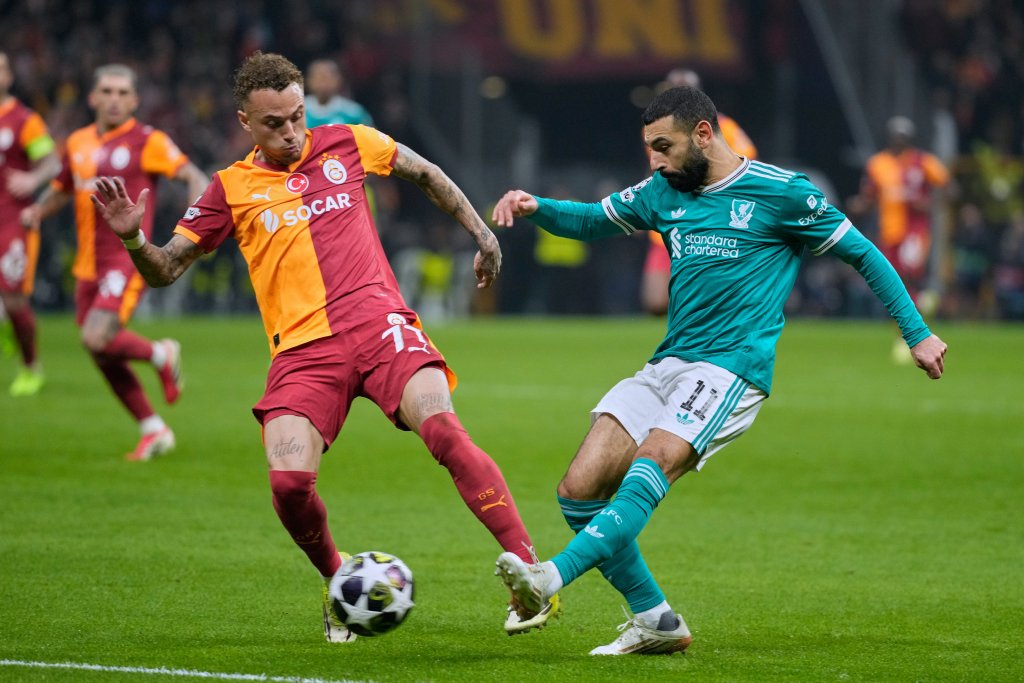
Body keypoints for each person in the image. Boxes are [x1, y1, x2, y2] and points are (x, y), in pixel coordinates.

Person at [90, 51, 558, 644]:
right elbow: (165, 269)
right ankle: (340, 583)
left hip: (381, 324)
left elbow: (426, 173)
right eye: (274, 123)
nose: (291, 132)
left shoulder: (347, 141)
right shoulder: (230, 188)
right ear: (245, 122)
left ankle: (530, 571)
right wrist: (134, 238)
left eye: (297, 116)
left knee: (445, 430)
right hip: (303, 352)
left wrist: (483, 234)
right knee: (288, 485)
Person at [491, 86, 947, 655]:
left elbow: (863, 252)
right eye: (649, 148)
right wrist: (536, 207)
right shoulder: (663, 191)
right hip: (668, 362)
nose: (655, 161)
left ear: (703, 134)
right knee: (578, 491)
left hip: (731, 367)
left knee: (652, 463)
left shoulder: (783, 193)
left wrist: (916, 332)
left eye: (664, 146)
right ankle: (655, 620)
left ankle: (549, 578)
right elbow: (592, 220)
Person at [21, 64, 209, 459]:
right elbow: (61, 188)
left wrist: (197, 220)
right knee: (100, 350)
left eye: (123, 93)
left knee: (96, 337)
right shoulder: (77, 142)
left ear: (135, 100)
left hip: (125, 260)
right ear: (92, 97)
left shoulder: (148, 141)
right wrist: (37, 211)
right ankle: (153, 429)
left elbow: (193, 175)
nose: (114, 99)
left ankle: (160, 353)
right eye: (107, 91)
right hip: (87, 265)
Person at [642, 68, 758, 315]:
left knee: (708, 297)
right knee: (655, 303)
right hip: (669, 218)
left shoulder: (722, 126)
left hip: (709, 221)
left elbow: (746, 161)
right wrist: (641, 207)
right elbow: (656, 171)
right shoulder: (655, 127)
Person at [849, 116, 950, 360]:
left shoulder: (923, 162)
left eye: (903, 137)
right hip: (889, 233)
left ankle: (909, 337)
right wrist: (856, 206)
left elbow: (949, 187)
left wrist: (929, 203)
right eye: (896, 136)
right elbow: (869, 195)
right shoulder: (878, 164)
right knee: (893, 283)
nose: (899, 141)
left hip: (914, 232)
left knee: (906, 279)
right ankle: (923, 304)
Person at [0, 50, 61, 396]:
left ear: (9, 77)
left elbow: (52, 163)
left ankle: (30, 367)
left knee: (13, 300)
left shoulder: (23, 120)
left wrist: (31, 179)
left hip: (12, 220)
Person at [304, 59, 373, 128]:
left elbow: (370, 134)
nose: (323, 83)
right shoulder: (300, 111)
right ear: (308, 80)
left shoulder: (354, 113)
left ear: (338, 80)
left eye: (327, 77)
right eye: (318, 77)